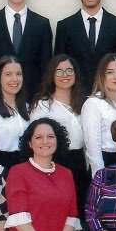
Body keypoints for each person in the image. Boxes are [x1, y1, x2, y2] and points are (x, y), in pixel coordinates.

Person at [30, 54, 90, 208]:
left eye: (69, 70)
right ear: (52, 75)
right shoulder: (42, 106)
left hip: (80, 162)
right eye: (59, 71)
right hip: (55, 161)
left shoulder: (86, 103)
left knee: (79, 207)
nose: (65, 75)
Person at [81, 53, 116, 176]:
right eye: (110, 72)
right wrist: (100, 176)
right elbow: (93, 145)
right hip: (106, 161)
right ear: (102, 76)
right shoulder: (94, 103)